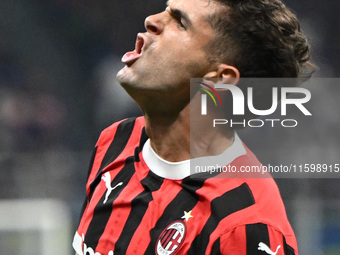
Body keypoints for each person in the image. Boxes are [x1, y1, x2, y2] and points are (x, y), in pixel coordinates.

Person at [73, 0, 314, 254]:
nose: (151, 21)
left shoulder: (245, 224)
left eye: (180, 22)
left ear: (219, 80)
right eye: (165, 9)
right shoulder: (115, 141)